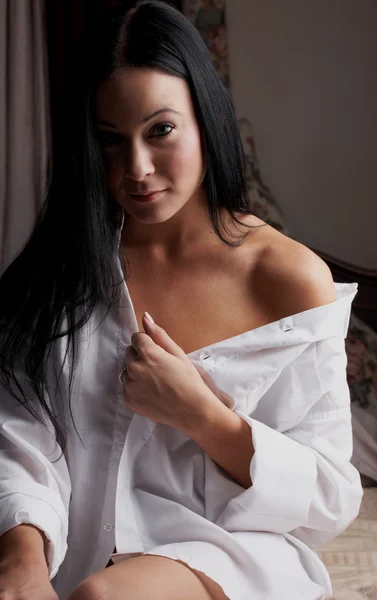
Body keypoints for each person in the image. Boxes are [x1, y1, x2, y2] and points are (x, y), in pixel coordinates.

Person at [0, 1, 363, 599]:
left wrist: (202, 414)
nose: (136, 169)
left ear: (205, 120)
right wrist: (22, 557)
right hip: (73, 551)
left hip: (235, 556)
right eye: (110, 141)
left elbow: (330, 500)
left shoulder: (285, 277)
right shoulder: (62, 270)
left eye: (160, 130)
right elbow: (20, 429)